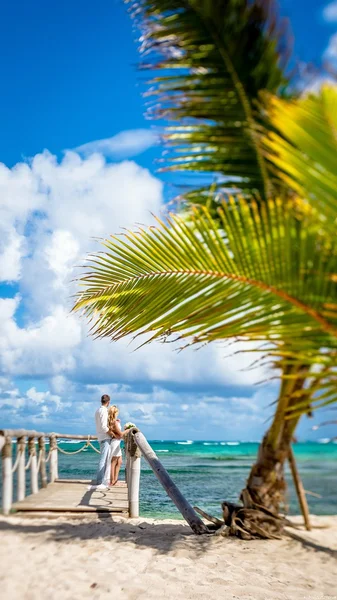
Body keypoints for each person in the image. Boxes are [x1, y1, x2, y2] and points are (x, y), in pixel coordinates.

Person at [91, 393, 113, 490]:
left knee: (103, 458)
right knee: (103, 459)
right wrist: (112, 434)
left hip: (100, 436)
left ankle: (101, 480)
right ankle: (100, 481)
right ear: (108, 402)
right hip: (104, 436)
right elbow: (104, 427)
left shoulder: (97, 411)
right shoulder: (104, 411)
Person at [107, 405, 128, 486]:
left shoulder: (114, 422)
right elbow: (120, 434)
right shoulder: (114, 423)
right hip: (115, 443)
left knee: (119, 461)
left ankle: (115, 479)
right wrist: (128, 430)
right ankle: (112, 480)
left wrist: (118, 422)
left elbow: (116, 433)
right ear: (114, 413)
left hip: (117, 442)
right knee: (114, 462)